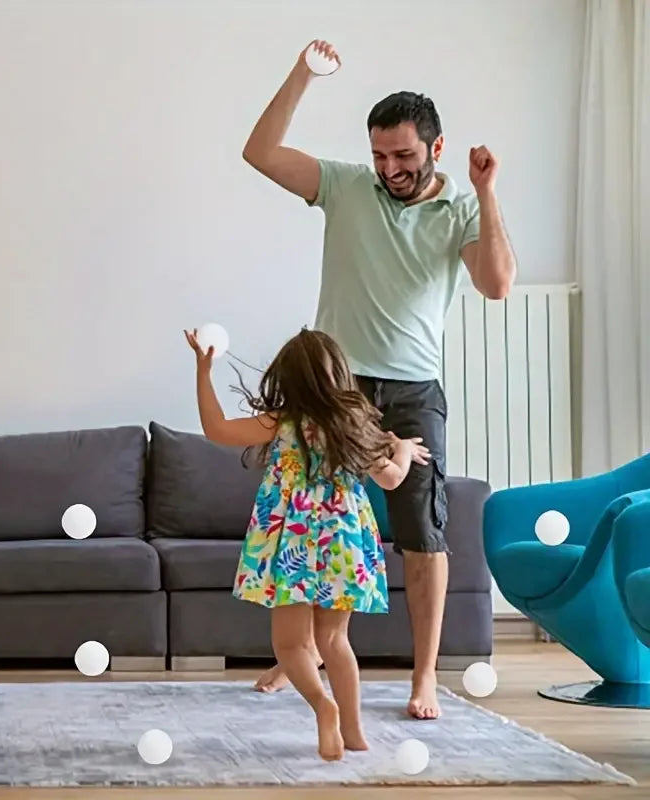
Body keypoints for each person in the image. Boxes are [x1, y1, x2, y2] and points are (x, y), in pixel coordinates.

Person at [241, 40, 517, 720]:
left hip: (413, 390)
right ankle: (297, 652)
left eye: (404, 156)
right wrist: (305, 74)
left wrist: (485, 191)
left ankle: (425, 676)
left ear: (435, 148)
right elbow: (261, 152)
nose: (391, 169)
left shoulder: (459, 212)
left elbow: (498, 283)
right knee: (315, 521)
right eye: (381, 156)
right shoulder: (343, 186)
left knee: (422, 533)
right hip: (336, 388)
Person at [184, 327, 430, 761]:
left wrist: (204, 371)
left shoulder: (282, 422)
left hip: (289, 538)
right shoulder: (354, 425)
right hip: (341, 540)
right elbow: (392, 478)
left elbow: (216, 428)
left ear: (289, 378)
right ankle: (354, 733)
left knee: (292, 645)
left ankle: (323, 705)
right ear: (338, 376)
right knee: (335, 640)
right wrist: (403, 449)